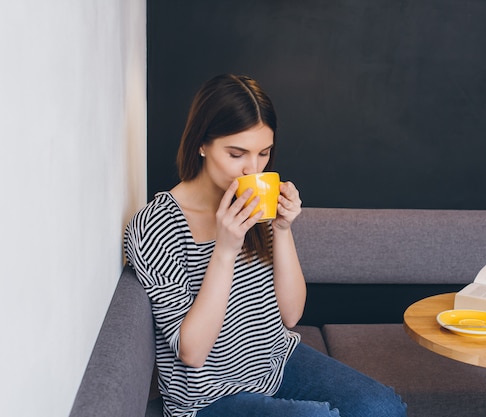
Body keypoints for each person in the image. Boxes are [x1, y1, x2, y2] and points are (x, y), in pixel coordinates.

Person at [124, 74, 407, 417]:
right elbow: (192, 352)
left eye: (264, 153)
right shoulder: (156, 225)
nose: (252, 169)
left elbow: (291, 315)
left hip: (274, 364)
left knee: (383, 408)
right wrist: (225, 251)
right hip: (208, 398)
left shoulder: (256, 204)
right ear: (201, 143)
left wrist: (283, 229)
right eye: (236, 153)